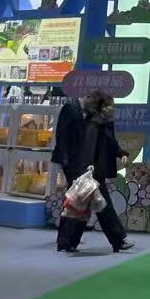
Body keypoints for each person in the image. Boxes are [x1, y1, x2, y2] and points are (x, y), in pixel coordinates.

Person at [59, 93, 134, 253]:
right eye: (108, 106)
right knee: (99, 206)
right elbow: (88, 148)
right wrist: (86, 169)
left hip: (93, 170)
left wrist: (121, 153)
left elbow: (110, 143)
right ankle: (117, 240)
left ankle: (67, 242)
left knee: (82, 206)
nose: (111, 109)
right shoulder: (92, 124)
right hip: (90, 171)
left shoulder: (100, 124)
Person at [50, 82, 88, 252]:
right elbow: (62, 134)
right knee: (75, 200)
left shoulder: (77, 109)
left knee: (76, 200)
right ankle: (66, 239)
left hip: (75, 161)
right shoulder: (70, 108)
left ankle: (67, 239)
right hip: (72, 161)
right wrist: (65, 158)